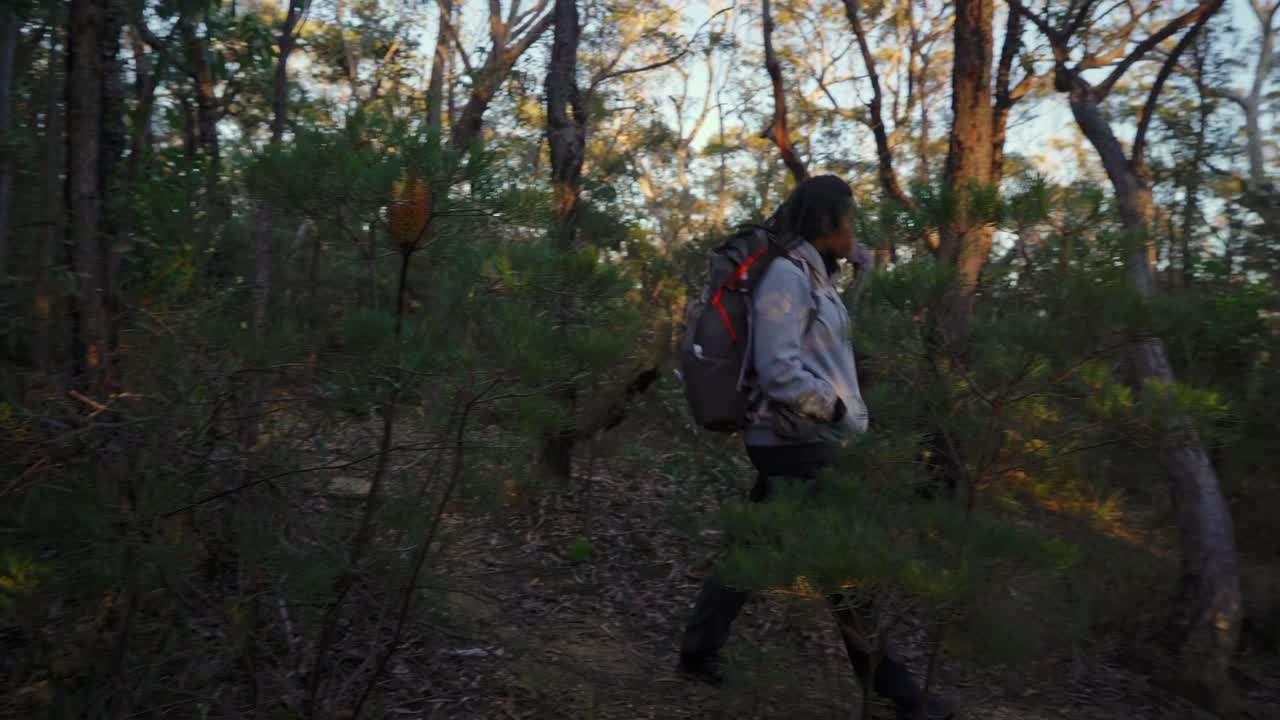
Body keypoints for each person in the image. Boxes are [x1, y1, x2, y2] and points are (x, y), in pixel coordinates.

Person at [676, 175, 954, 720]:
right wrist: (834, 409)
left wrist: (865, 275)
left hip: (803, 440)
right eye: (849, 218)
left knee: (752, 545)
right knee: (845, 566)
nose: (855, 229)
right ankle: (895, 691)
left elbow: (832, 338)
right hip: (797, 441)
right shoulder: (784, 275)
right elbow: (779, 370)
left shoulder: (811, 276)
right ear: (828, 222)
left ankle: (698, 652)